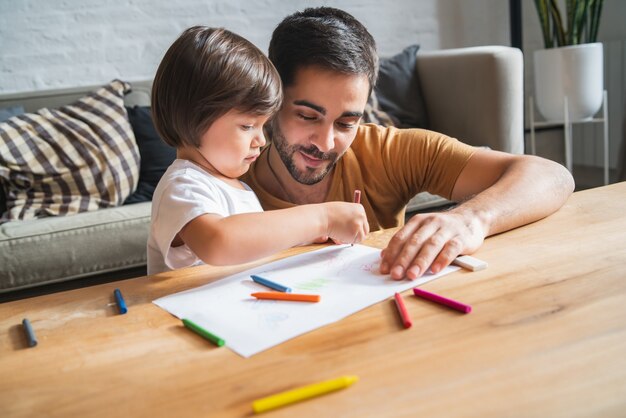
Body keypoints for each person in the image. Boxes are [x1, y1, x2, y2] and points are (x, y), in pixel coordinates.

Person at [241, 7, 575, 280]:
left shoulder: (385, 152)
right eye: (308, 116)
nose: (326, 143)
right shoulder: (226, 171)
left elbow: (552, 176)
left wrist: (469, 220)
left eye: (346, 122)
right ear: (273, 98)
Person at [147, 26, 369, 275]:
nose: (261, 140)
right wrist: (323, 218)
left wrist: (306, 235)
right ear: (193, 117)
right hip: (180, 315)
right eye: (247, 126)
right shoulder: (183, 185)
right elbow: (220, 243)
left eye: (263, 126)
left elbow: (250, 250)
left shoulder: (235, 186)